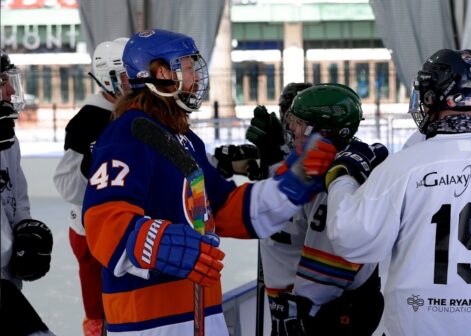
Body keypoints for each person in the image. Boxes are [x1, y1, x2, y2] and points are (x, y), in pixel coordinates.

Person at [81, 29, 337, 335]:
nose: (197, 78)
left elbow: (223, 207)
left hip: (202, 310)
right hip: (149, 322)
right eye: (188, 68)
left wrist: (287, 187)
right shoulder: (127, 134)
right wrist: (157, 243)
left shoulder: (185, 139)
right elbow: (102, 220)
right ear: (162, 73)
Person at [326, 48, 471, 335]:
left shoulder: (403, 166)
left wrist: (342, 178)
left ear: (429, 97)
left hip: (418, 326)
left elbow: (352, 240)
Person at [258, 83, 388, 336]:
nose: (290, 128)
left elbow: (327, 266)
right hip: (308, 307)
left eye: (298, 122)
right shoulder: (312, 166)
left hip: (325, 314)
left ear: (323, 129)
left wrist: (298, 313)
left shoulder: (337, 178)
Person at [53, 37, 129, 336]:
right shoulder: (87, 120)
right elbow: (66, 182)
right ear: (109, 75)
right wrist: (91, 169)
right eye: (128, 73)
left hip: (126, 225)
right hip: (92, 232)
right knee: (102, 313)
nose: (136, 79)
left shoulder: (138, 112)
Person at [0, 49, 55, 335]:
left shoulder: (8, 140)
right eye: (1, 82)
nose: (10, 90)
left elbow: (17, 198)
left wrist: (25, 230)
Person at [212, 82, 312, 181]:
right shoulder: (282, 142)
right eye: (286, 113)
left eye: (297, 117)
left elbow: (287, 190)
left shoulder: (316, 152)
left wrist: (272, 160)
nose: (290, 122)